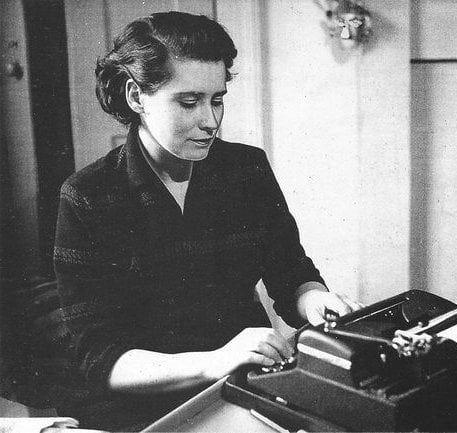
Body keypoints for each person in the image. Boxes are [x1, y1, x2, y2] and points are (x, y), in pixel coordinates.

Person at [52, 11, 361, 431]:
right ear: (136, 96)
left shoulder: (246, 168)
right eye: (189, 101)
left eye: (217, 100)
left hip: (245, 383)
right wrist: (213, 362)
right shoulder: (87, 195)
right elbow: (101, 359)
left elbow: (291, 275)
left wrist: (316, 301)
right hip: (140, 407)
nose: (210, 121)